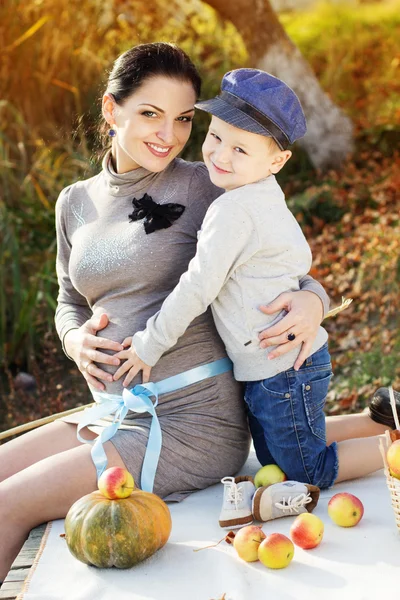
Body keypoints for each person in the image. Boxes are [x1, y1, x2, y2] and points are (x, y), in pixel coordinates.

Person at [0, 43, 394, 583]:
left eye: (184, 118)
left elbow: (276, 256)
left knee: (7, 504)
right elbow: (69, 301)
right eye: (149, 114)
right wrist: (73, 340)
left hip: (189, 421)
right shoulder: (74, 202)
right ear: (111, 111)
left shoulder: (212, 180)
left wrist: (314, 299)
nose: (168, 134)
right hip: (112, 409)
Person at [106, 68, 397, 526]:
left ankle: (393, 451)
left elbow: (198, 286)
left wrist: (149, 344)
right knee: (278, 455)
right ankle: (385, 417)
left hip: (281, 369)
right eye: (216, 137)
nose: (220, 155)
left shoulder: (234, 211)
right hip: (274, 367)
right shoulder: (260, 195)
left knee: (306, 467)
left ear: (276, 161)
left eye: (240, 149)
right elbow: (294, 262)